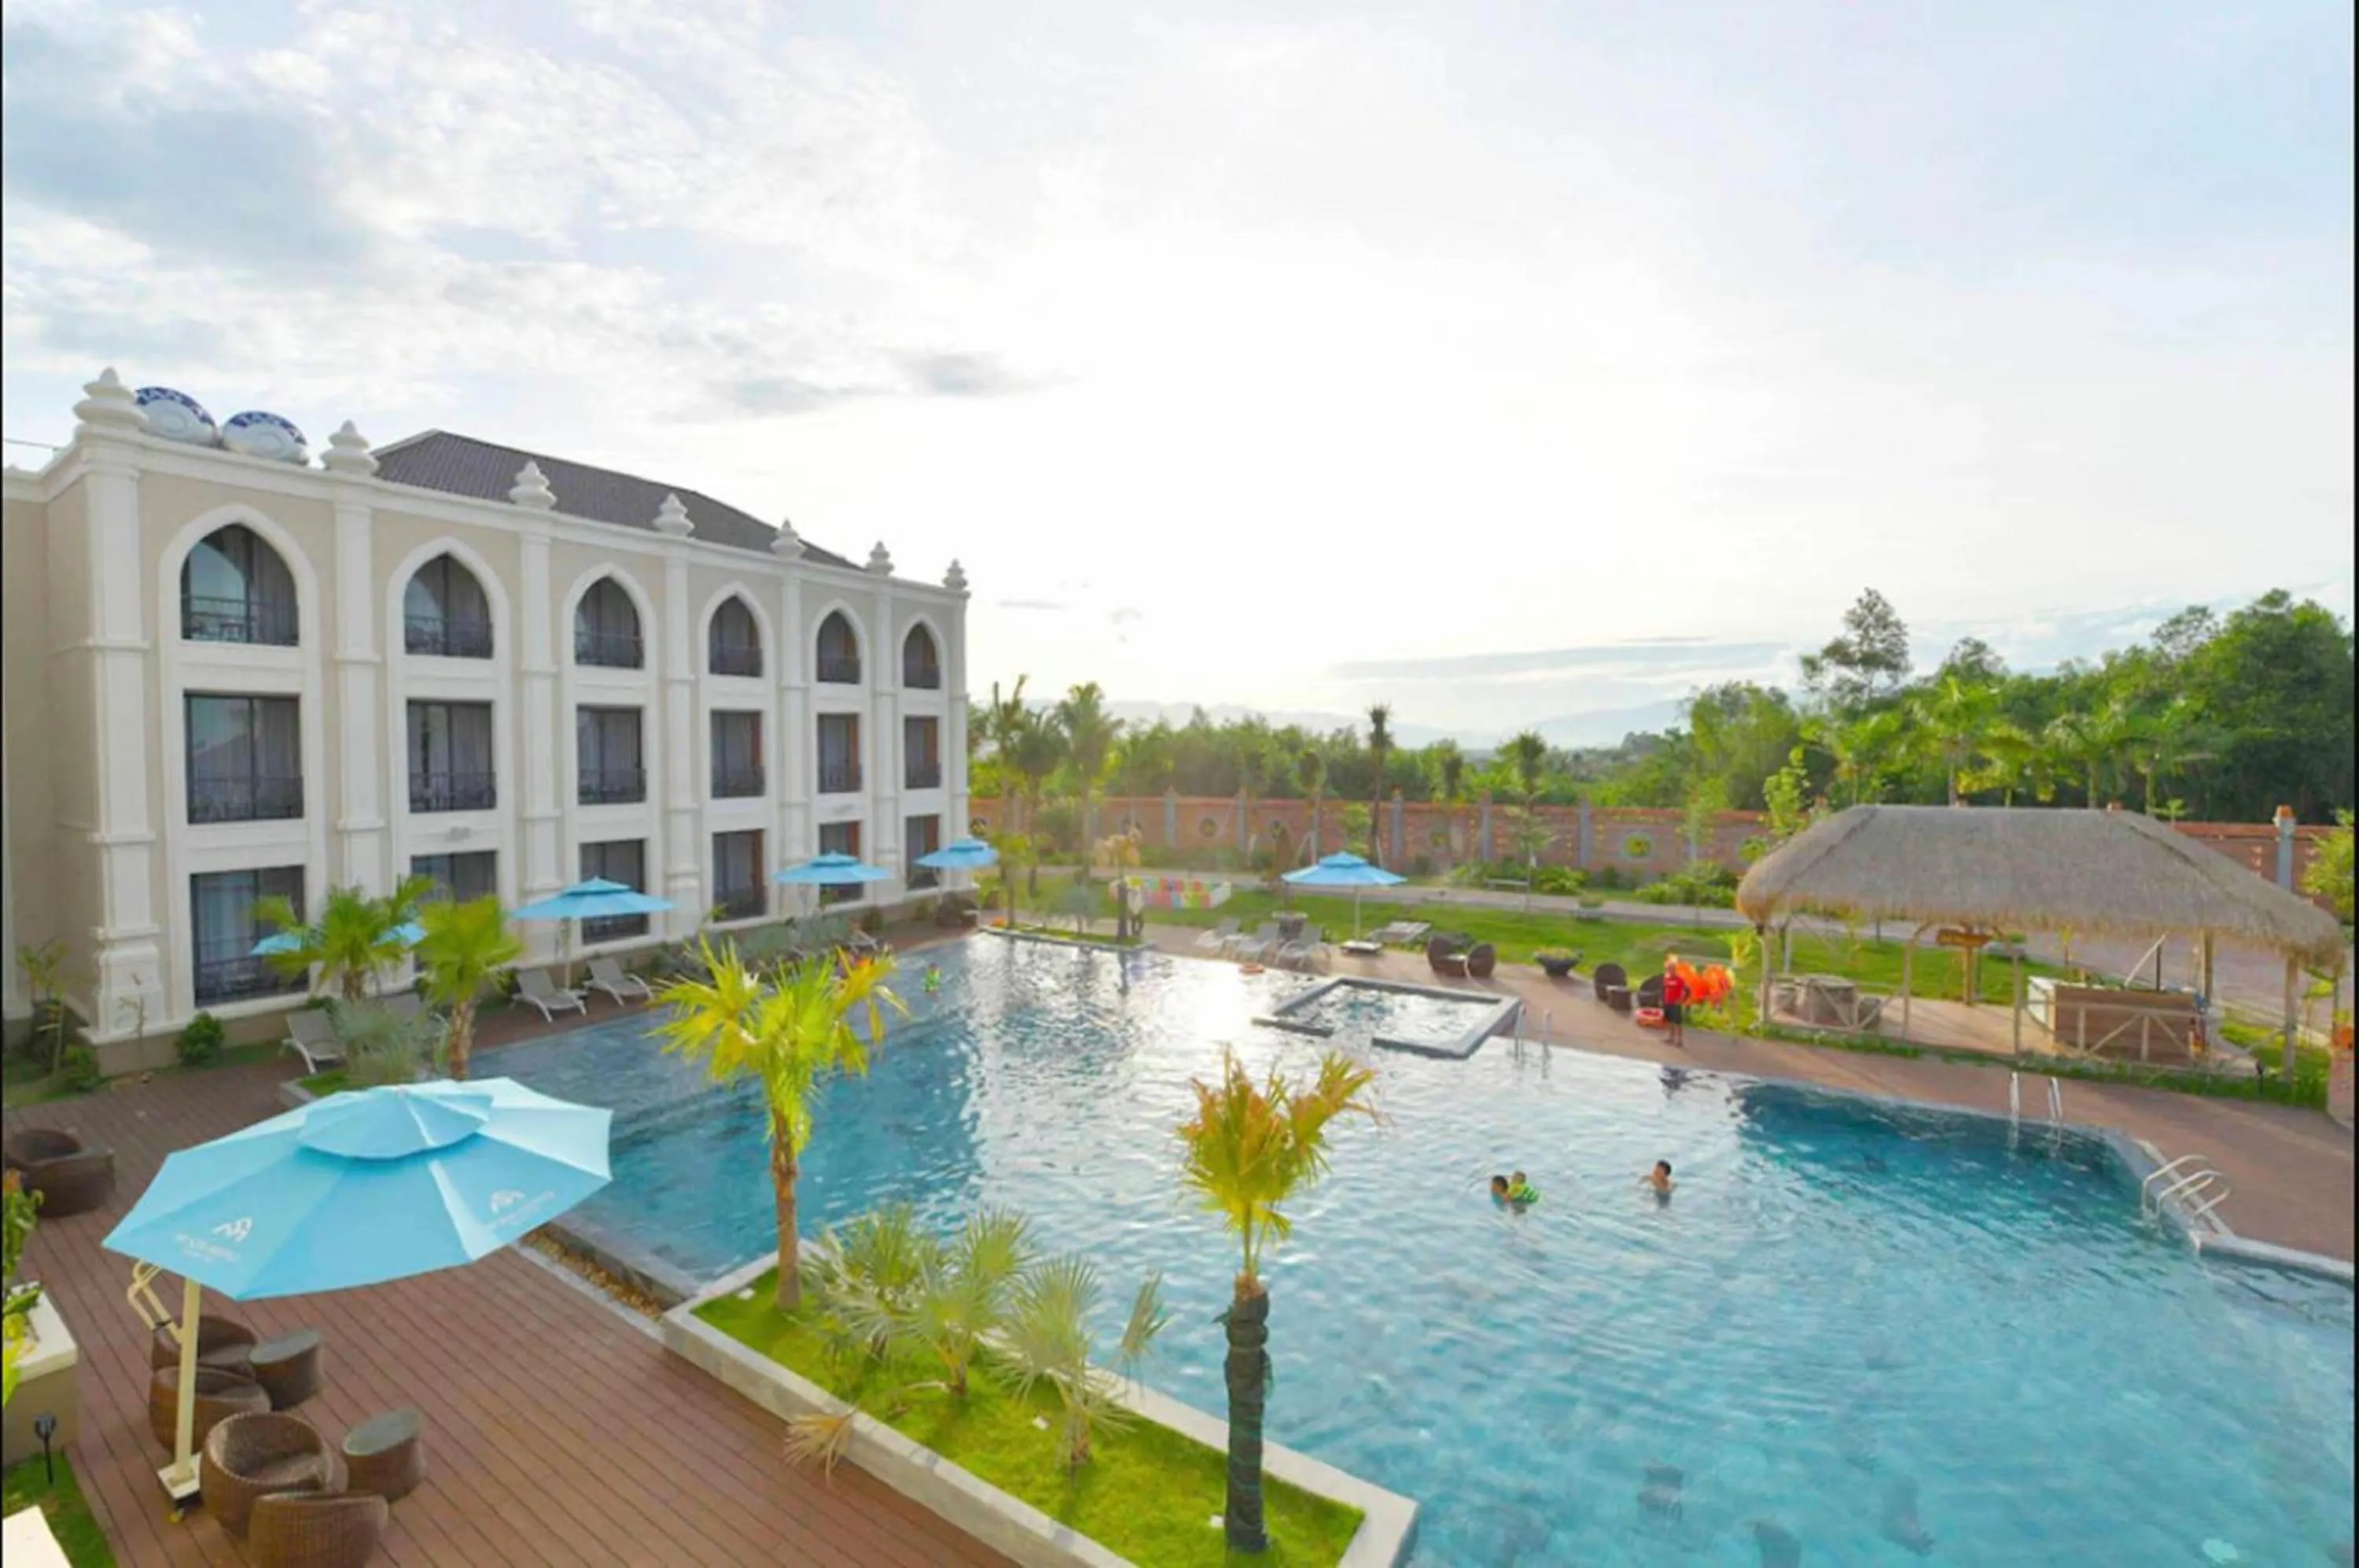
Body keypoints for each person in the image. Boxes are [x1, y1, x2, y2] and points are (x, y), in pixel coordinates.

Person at [1661, 956, 1690, 1048]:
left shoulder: (1679, 980)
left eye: (1672, 969)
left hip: (1675, 1004)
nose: (1670, 971)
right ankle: (1670, 1037)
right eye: (1668, 969)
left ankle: (1679, 1040)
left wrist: (1682, 1000)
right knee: (1669, 1021)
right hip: (1667, 1002)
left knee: (1677, 1023)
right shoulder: (1666, 979)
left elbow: (1687, 990)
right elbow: (1664, 990)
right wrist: (1663, 1000)